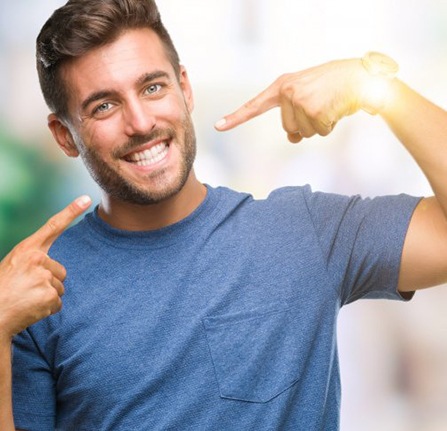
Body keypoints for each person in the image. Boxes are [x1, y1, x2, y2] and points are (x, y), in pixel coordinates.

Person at [1, 0, 447, 429]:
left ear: (185, 89)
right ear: (64, 135)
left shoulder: (303, 233)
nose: (140, 122)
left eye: (152, 87)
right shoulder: (39, 290)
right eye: (104, 105)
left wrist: (382, 92)